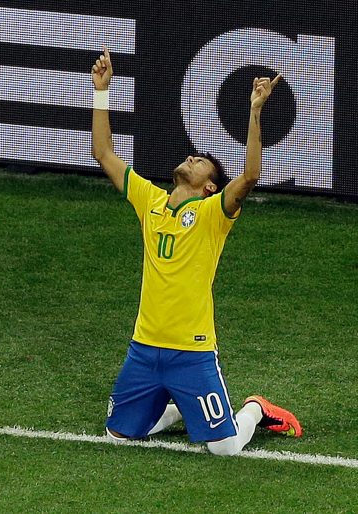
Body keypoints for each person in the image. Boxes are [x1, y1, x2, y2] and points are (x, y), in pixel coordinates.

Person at [90, 47, 301, 456]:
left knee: (225, 449)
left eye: (200, 161)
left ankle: (255, 409)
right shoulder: (149, 200)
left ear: (209, 187)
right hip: (144, 347)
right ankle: (176, 410)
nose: (191, 157)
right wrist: (102, 91)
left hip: (192, 352)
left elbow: (250, 175)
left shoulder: (212, 214)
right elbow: (103, 153)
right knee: (117, 437)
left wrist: (255, 112)